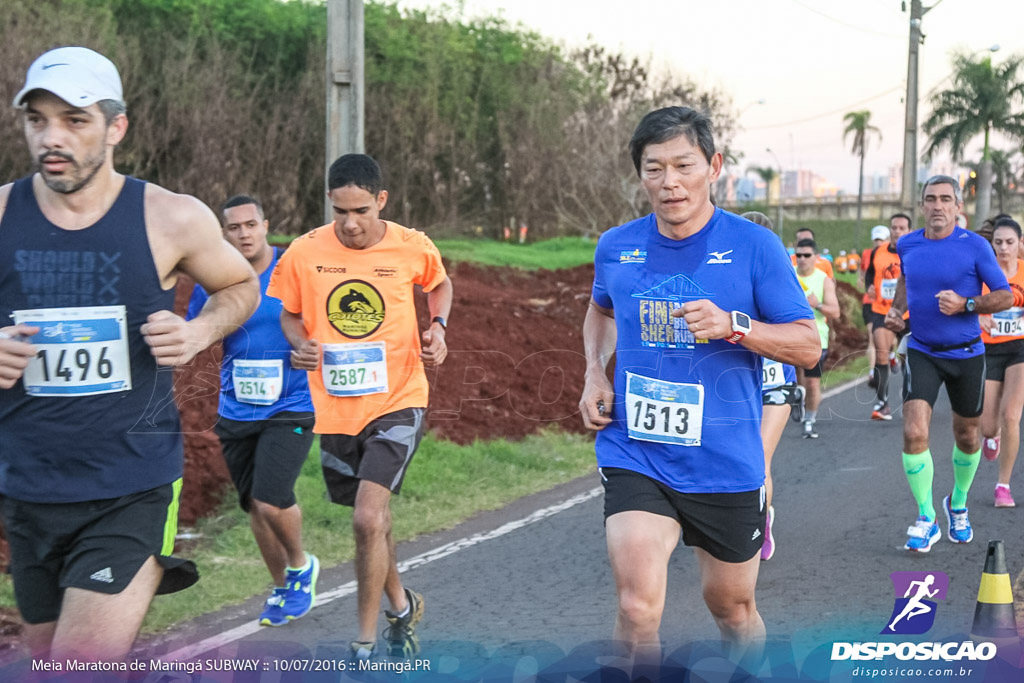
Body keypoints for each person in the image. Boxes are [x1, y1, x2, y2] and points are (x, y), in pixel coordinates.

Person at [0, 47, 259, 661]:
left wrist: (200, 332)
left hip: (131, 485)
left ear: (116, 127)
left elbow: (241, 284)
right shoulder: (3, 213)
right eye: (38, 120)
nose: (51, 138)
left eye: (74, 120)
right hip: (28, 488)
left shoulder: (171, 218)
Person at [579, 106, 819, 668]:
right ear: (639, 174)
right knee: (637, 608)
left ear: (713, 166)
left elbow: (808, 345)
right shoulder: (617, 245)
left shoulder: (754, 246)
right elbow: (600, 311)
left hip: (727, 461)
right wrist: (594, 370)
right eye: (654, 168)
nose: (670, 182)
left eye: (683, 165)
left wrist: (736, 325)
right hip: (638, 449)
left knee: (731, 609)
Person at [266, 153, 453, 660]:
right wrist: (297, 343)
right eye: (340, 211)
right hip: (337, 407)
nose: (350, 223)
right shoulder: (305, 252)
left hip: (399, 398)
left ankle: (364, 643)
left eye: (362, 211)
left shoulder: (412, 246)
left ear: (382, 201)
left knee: (368, 519)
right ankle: (400, 604)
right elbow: (289, 314)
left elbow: (439, 285)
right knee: (372, 522)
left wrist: (437, 328)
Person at [186, 195, 319, 626]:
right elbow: (199, 331)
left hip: (293, 403)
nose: (243, 233)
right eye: (233, 228)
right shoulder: (215, 277)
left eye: (250, 225)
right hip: (238, 408)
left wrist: (309, 351)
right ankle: (282, 587)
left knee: (270, 497)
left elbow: (325, 325)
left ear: (265, 225)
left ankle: (301, 565)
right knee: (253, 507)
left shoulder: (295, 268)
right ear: (222, 234)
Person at [885, 175, 1012, 552]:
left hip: (967, 354)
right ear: (921, 205)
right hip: (923, 350)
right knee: (912, 431)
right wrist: (896, 311)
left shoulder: (975, 246)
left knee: (968, 436)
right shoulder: (907, 244)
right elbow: (908, 282)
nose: (937, 205)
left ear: (958, 206)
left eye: (945, 199)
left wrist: (966, 304)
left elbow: (1004, 296)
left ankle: (957, 503)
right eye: (930, 199)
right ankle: (926, 517)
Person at [741, 211, 802, 562]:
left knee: (758, 459)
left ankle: (760, 522)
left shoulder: (780, 275)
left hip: (774, 380)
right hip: (733, 382)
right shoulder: (725, 275)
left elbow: (797, 328)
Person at [978, 217, 1024, 507]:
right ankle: (990, 436)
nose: (1004, 248)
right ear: (991, 244)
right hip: (989, 349)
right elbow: (968, 303)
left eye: (1010, 242)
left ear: (1020, 244)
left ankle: (1003, 485)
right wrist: (977, 314)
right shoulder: (984, 274)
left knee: (1011, 416)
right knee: (987, 425)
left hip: (1020, 348)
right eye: (998, 243)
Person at [863, 214, 913, 420]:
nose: (897, 231)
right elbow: (869, 274)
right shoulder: (878, 252)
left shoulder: (913, 252)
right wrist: (870, 287)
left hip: (909, 313)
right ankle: (882, 403)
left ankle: (910, 399)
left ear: (909, 231)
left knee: (908, 360)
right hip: (882, 311)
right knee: (882, 355)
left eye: (902, 228)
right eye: (894, 227)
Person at [793, 238, 840, 439]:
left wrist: (817, 304)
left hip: (816, 338)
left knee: (812, 383)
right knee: (795, 379)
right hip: (789, 335)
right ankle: (797, 398)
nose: (802, 259)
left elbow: (835, 311)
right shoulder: (789, 275)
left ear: (816, 257)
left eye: (807, 255)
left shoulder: (823, 280)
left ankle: (809, 419)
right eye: (799, 255)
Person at [858, 225, 890, 388]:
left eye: (881, 240)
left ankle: (891, 356)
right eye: (876, 240)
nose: (878, 243)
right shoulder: (867, 254)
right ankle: (872, 371)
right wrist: (865, 283)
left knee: (889, 339)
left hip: (890, 304)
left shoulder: (893, 254)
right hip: (871, 302)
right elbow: (864, 274)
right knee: (872, 337)